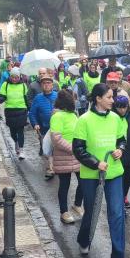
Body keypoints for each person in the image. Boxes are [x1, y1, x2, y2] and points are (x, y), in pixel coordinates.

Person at [73, 84, 129, 258]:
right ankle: (84, 239)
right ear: (98, 98)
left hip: (114, 174)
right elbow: (78, 149)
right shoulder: (84, 120)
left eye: (112, 97)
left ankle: (118, 256)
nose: (113, 101)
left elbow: (122, 140)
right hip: (91, 175)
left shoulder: (115, 118)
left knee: (117, 213)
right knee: (92, 211)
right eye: (109, 97)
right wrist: (96, 163)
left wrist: (120, 150)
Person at [49, 92, 84, 224]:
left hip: (77, 156)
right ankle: (64, 212)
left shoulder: (74, 115)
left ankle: (77, 204)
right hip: (64, 156)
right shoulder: (57, 116)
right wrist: (73, 148)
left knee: (83, 182)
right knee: (64, 185)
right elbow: (56, 139)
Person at [0, 66, 30, 160]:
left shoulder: (23, 85)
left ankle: (21, 151)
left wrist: (30, 109)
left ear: (20, 77)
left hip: (22, 110)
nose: (14, 79)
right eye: (13, 77)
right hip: (10, 110)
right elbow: (2, 96)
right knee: (12, 132)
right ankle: (16, 143)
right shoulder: (5, 85)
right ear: (10, 76)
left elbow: (26, 98)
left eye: (17, 77)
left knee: (20, 131)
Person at [28, 73, 58, 173]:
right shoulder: (38, 98)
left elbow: (66, 110)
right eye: (44, 83)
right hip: (44, 128)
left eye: (48, 83)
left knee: (56, 149)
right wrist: (35, 123)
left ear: (52, 85)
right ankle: (50, 167)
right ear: (41, 86)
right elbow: (32, 113)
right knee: (47, 149)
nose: (46, 85)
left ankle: (53, 167)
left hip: (57, 128)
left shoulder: (58, 96)